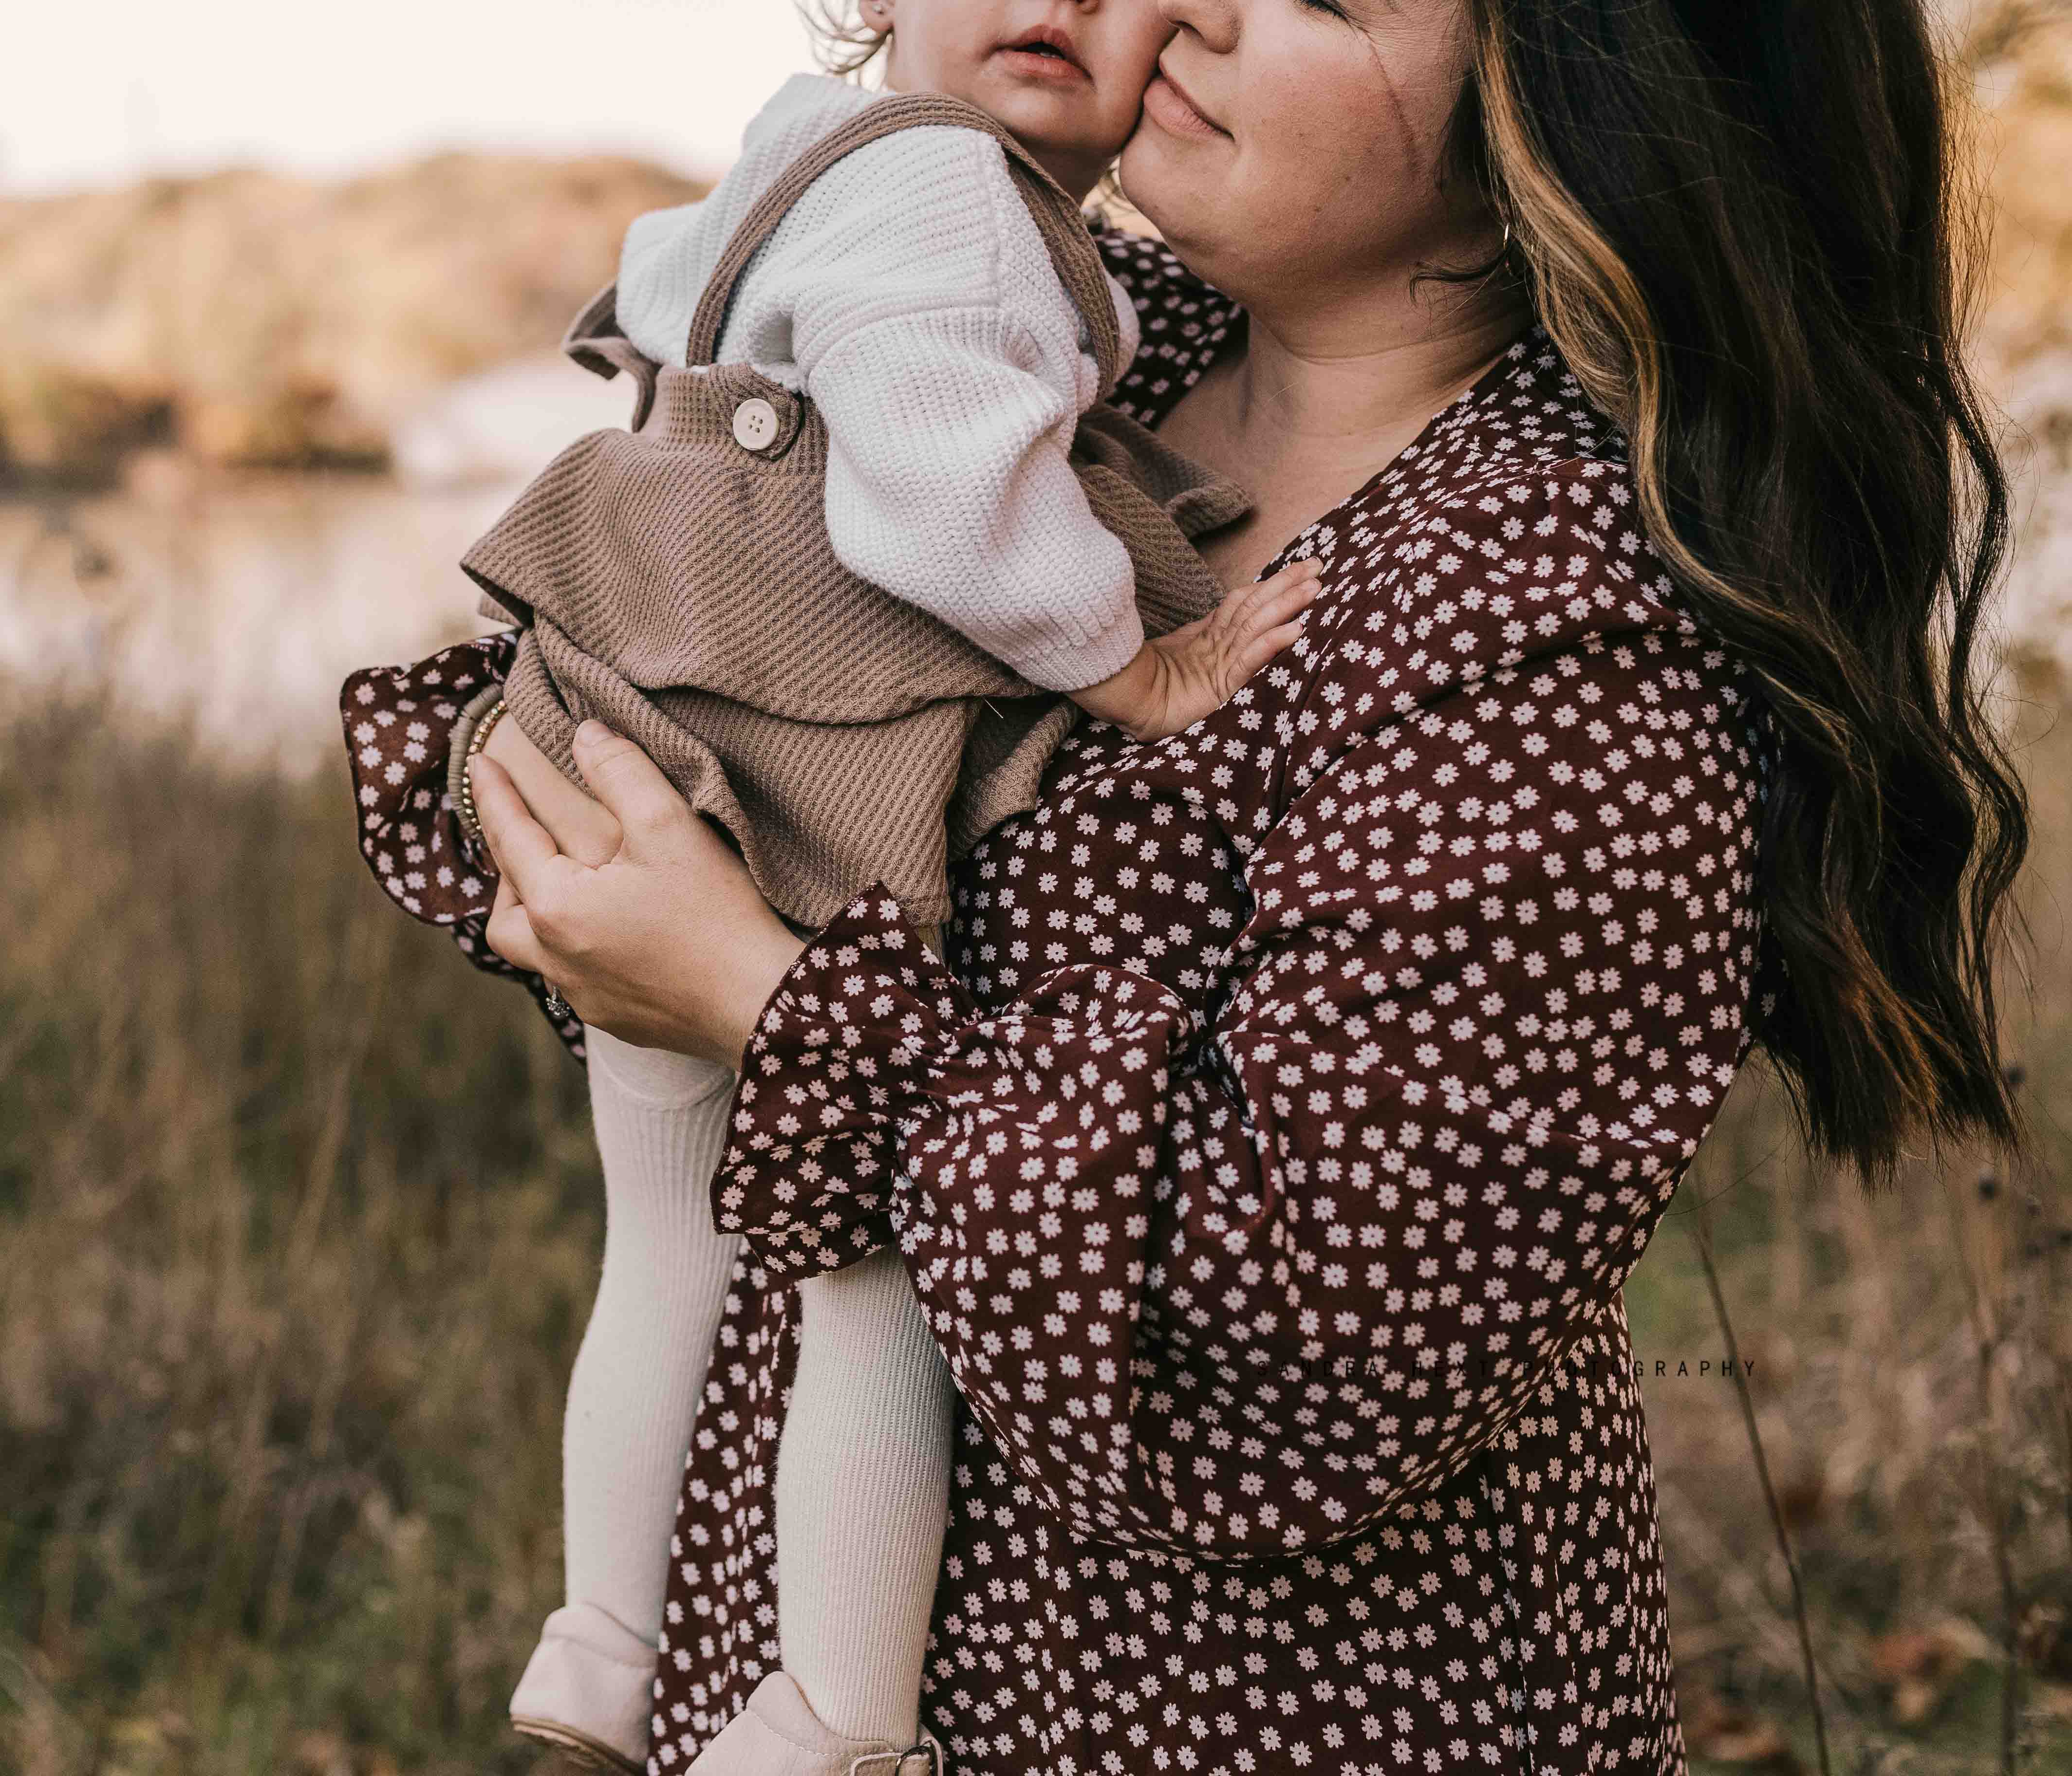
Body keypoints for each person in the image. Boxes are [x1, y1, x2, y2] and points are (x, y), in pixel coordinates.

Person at [345, 0, 2026, 1770]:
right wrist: (604, 841)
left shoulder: (1559, 627)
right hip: (796, 1635)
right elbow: (729, 680)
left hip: (1230, 1705)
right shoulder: (1082, 360)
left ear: (1565, 110)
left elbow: (1308, 1338)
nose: (1192, 2)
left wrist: (764, 1004)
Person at [411, 3, 1310, 1771]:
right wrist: (1131, 668)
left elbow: (664, 309)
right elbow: (944, 497)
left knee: (664, 1243)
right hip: (792, 762)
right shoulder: (964, 206)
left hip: (625, 718)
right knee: (869, 1268)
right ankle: (833, 1716)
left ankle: (601, 1638)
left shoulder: (795, 144)